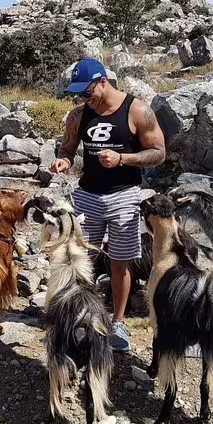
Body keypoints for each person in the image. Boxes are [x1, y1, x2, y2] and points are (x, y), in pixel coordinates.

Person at [50, 58, 166, 352]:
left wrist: (123, 159)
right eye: (78, 95)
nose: (82, 99)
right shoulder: (78, 115)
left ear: (103, 81)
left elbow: (158, 152)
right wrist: (63, 159)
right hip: (88, 194)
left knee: (119, 262)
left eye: (86, 93)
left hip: (124, 194)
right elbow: (68, 146)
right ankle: (81, 316)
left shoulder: (137, 110)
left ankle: (118, 321)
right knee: (78, 258)